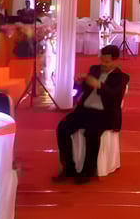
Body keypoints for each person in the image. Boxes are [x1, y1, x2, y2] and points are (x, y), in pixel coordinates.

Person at [53, 45, 129, 184]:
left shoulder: (122, 77)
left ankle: (88, 170)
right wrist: (78, 82)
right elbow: (82, 90)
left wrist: (99, 85)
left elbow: (115, 97)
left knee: (91, 133)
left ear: (115, 61)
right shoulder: (94, 69)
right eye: (102, 60)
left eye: (107, 62)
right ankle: (68, 167)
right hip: (85, 110)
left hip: (105, 114)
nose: (103, 64)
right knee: (62, 128)